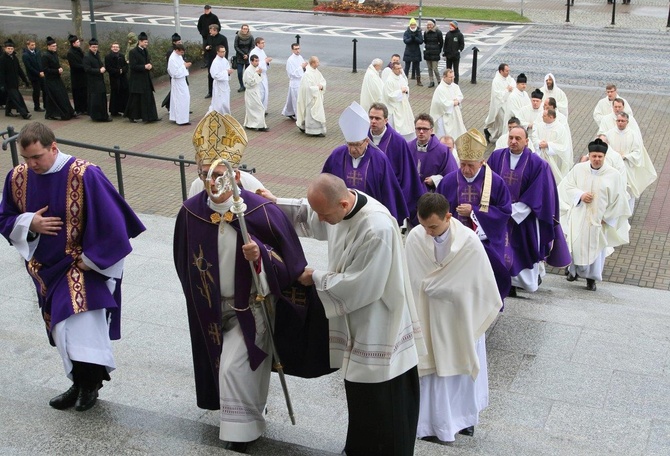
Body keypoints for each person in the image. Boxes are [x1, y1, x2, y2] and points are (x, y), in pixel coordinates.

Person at [174, 111, 325, 454]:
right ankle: (251, 416)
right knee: (236, 367)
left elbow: (291, 264)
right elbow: (183, 258)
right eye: (203, 175)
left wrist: (260, 256)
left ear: (233, 175)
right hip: (212, 305)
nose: (210, 183)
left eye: (217, 176)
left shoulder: (259, 211)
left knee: (235, 366)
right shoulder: (191, 211)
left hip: (253, 304)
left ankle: (240, 433)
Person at [262, 173, 425, 456]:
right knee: (359, 390)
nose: (322, 221)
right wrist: (274, 205)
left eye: (325, 215)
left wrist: (317, 277)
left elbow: (364, 284)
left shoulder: (377, 229)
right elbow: (308, 212)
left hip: (378, 321)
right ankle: (359, 447)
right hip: (357, 320)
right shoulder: (339, 207)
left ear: (344, 203)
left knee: (381, 395)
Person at [0, 122, 145, 412]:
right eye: (26, 158)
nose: (31, 164)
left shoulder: (84, 174)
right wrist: (29, 222)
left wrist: (92, 260)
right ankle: (79, 383)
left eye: (37, 157)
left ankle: (90, 385)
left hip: (82, 264)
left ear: (53, 147)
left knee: (78, 328)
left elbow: (114, 223)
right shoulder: (17, 177)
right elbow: (5, 217)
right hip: (44, 268)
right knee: (61, 331)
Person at [406, 192, 502, 443]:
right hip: (426, 315)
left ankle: (464, 420)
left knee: (458, 373)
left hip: (459, 318)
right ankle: (428, 423)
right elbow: (409, 277)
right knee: (431, 375)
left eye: (434, 226)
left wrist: (443, 288)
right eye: (423, 225)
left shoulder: (469, 242)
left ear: (448, 217)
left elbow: (478, 284)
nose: (428, 231)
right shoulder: (416, 237)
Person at [487, 126, 571, 297]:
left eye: (518, 138)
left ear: (526, 141)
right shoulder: (496, 156)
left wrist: (513, 211)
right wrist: (497, 210)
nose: (513, 141)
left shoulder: (537, 163)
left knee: (520, 249)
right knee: (499, 249)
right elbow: (487, 182)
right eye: (511, 137)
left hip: (524, 219)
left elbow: (539, 191)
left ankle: (518, 283)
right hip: (499, 216)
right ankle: (502, 281)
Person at [436, 129, 512, 300]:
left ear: (482, 162)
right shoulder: (448, 181)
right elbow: (438, 209)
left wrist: (474, 212)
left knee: (480, 283)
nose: (465, 169)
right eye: (462, 164)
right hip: (454, 242)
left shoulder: (495, 182)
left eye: (471, 165)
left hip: (484, 243)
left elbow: (505, 212)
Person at [559, 139, 631, 292]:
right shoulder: (579, 169)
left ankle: (592, 279)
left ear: (604, 157)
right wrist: (580, 195)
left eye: (600, 156)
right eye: (594, 156)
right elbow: (567, 186)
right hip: (580, 215)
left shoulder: (613, 175)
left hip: (600, 219)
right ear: (589, 155)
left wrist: (608, 217)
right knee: (576, 244)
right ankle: (573, 272)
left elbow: (619, 199)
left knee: (596, 250)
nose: (597, 159)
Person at [322, 102, 410, 225]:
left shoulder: (379, 160)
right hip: (342, 219)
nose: (353, 149)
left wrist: (390, 219)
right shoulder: (337, 155)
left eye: (357, 145)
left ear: (367, 141)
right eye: (350, 144)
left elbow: (388, 192)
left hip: (371, 219)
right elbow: (325, 183)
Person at [367, 102, 426, 222]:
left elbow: (407, 174)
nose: (373, 121)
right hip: (367, 194)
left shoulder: (398, 142)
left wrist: (399, 200)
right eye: (371, 117)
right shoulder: (362, 137)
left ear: (386, 120)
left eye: (377, 118)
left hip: (389, 195)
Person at [603, 113, 656, 213]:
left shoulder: (633, 135)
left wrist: (625, 156)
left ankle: (628, 213)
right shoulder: (609, 134)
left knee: (629, 190)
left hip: (627, 166)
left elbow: (637, 152)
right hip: (613, 166)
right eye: (618, 121)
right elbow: (605, 149)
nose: (620, 123)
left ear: (627, 122)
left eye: (622, 121)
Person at [408, 113, 458, 191]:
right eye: (418, 128)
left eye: (425, 129)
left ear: (431, 130)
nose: (421, 131)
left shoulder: (442, 151)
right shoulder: (407, 147)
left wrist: (435, 180)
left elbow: (452, 174)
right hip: (410, 193)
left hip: (432, 195)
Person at [124, 32, 159, 123]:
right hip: (137, 79)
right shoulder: (133, 52)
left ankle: (151, 116)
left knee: (148, 97)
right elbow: (133, 66)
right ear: (139, 42)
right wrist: (144, 67)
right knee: (136, 98)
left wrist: (150, 66)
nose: (146, 44)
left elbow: (148, 61)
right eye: (145, 42)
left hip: (145, 78)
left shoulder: (145, 51)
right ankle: (131, 115)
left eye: (147, 42)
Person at [534, 108, 573, 184]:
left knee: (553, 180)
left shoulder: (560, 129)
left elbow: (564, 146)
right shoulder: (540, 125)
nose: (542, 117)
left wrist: (548, 145)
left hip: (555, 159)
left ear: (551, 117)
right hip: (541, 156)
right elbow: (534, 137)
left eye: (544, 116)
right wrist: (539, 143)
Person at [41, 36, 75, 121]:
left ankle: (67, 111)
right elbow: (45, 69)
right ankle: (57, 113)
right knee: (55, 96)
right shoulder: (45, 56)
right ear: (48, 47)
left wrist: (59, 68)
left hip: (57, 78)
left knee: (62, 95)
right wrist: (57, 70)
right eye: (53, 46)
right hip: (50, 79)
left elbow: (56, 64)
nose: (55, 47)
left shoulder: (54, 54)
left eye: (55, 46)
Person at [430, 68, 466, 140]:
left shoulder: (455, 86)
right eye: (450, 77)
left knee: (458, 130)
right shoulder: (440, 89)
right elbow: (442, 103)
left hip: (455, 113)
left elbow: (460, 95)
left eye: (453, 77)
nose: (452, 79)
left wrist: (458, 101)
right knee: (444, 134)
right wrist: (453, 102)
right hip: (444, 115)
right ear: (444, 77)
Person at [383, 61, 416, 140]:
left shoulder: (401, 77)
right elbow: (389, 95)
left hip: (404, 104)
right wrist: (400, 91)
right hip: (395, 107)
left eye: (400, 68)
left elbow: (406, 86)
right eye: (397, 69)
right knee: (397, 126)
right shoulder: (389, 81)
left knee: (407, 124)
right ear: (393, 69)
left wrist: (405, 90)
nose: (400, 70)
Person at [483, 63, 515, 143]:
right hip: (499, 105)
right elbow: (497, 94)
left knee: (501, 123)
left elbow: (512, 82)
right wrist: (507, 90)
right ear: (501, 71)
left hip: (507, 103)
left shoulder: (507, 77)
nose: (508, 72)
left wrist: (511, 87)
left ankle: (490, 132)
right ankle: (503, 138)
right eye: (506, 71)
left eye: (508, 71)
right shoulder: (496, 81)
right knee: (504, 121)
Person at [0, 39, 31, 119]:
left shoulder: (14, 58)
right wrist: (2, 85)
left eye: (11, 49)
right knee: (17, 98)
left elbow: (19, 70)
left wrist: (25, 80)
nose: (10, 50)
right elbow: (1, 73)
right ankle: (24, 114)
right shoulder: (2, 59)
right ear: (5, 49)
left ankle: (8, 112)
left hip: (15, 82)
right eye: (8, 49)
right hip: (8, 84)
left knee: (11, 98)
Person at [296, 56, 327, 137]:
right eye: (317, 62)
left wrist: (322, 86)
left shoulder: (316, 71)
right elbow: (308, 87)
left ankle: (317, 130)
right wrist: (317, 87)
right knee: (311, 114)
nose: (319, 64)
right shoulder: (307, 74)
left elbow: (322, 81)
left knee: (317, 112)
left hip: (317, 96)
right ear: (312, 63)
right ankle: (312, 131)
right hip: (310, 98)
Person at [82, 38, 111, 122]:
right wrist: (98, 70)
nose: (95, 48)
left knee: (102, 98)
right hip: (93, 81)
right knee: (95, 99)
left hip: (100, 80)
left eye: (96, 47)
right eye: (93, 47)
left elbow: (101, 64)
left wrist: (102, 67)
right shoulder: (87, 57)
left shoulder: (97, 55)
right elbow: (87, 69)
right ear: (89, 47)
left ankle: (103, 115)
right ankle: (97, 116)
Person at [166, 43, 191, 125]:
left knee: (185, 98)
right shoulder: (172, 59)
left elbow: (182, 64)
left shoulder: (178, 56)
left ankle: (182, 117)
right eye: (181, 52)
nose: (182, 54)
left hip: (182, 80)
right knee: (180, 99)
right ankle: (181, 119)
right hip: (177, 81)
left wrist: (185, 65)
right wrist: (184, 66)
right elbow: (174, 73)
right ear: (177, 50)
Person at [243, 54, 268, 132]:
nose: (257, 63)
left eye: (258, 61)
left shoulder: (256, 68)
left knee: (253, 109)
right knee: (259, 108)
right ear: (251, 61)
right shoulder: (248, 71)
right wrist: (258, 74)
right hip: (251, 91)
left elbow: (259, 79)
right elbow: (250, 83)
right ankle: (260, 126)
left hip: (256, 90)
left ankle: (250, 124)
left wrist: (259, 74)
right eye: (256, 61)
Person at [281, 43, 306, 120]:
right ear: (292, 50)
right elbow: (291, 73)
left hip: (301, 81)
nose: (298, 51)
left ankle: (289, 112)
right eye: (296, 49)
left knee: (292, 99)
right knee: (297, 101)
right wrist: (301, 67)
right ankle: (299, 117)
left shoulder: (300, 57)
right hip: (295, 83)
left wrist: (305, 68)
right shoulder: (290, 60)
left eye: (298, 48)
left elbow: (303, 68)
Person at [104, 42, 129, 117]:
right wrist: (118, 71)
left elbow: (126, 66)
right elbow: (108, 68)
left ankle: (125, 110)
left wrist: (122, 70)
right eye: (114, 47)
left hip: (123, 78)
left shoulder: (122, 56)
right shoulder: (108, 57)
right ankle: (114, 111)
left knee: (124, 94)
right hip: (114, 78)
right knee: (115, 94)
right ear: (111, 48)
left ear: (119, 48)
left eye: (117, 47)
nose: (115, 48)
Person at [204, 25, 228, 99]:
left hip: (220, 59)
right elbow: (206, 45)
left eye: (211, 30)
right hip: (211, 59)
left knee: (220, 74)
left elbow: (226, 49)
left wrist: (225, 59)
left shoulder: (222, 38)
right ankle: (210, 91)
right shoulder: (209, 37)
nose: (209, 32)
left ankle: (221, 90)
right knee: (210, 75)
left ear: (215, 30)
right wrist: (207, 48)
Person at [22, 39, 45, 113]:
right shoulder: (25, 55)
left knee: (45, 89)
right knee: (36, 91)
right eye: (32, 45)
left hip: (41, 74)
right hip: (34, 76)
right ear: (28, 45)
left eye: (34, 45)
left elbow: (40, 62)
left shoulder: (37, 52)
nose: (34, 46)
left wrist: (42, 71)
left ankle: (46, 105)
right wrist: (38, 73)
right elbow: (29, 67)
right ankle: (36, 106)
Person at [66, 35, 87, 116]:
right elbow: (74, 65)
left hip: (83, 75)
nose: (79, 43)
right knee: (78, 93)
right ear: (73, 43)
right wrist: (84, 66)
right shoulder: (70, 53)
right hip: (77, 76)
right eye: (77, 42)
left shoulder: (79, 50)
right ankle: (79, 109)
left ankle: (85, 108)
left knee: (84, 92)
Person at [249, 37, 272, 113]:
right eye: (262, 43)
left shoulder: (262, 51)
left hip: (263, 75)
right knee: (260, 93)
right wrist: (265, 61)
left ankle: (263, 109)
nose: (264, 44)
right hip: (257, 75)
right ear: (257, 44)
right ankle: (259, 109)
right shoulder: (254, 52)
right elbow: (255, 64)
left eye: (264, 43)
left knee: (265, 92)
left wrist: (267, 62)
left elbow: (264, 61)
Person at [208, 45, 232, 115]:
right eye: (221, 52)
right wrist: (226, 72)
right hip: (218, 85)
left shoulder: (224, 60)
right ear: (217, 52)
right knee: (219, 103)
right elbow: (214, 75)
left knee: (225, 102)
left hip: (225, 84)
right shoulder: (215, 62)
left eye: (224, 51)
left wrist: (228, 72)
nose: (223, 53)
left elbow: (227, 69)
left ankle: (226, 116)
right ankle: (217, 116)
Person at [422, 19, 443, 88]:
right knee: (429, 68)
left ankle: (439, 81)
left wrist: (438, 50)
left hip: (435, 52)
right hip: (428, 52)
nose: (429, 26)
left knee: (435, 68)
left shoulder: (438, 32)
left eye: (430, 24)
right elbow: (425, 41)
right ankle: (431, 81)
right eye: (428, 25)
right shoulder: (426, 32)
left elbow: (441, 42)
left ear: (434, 25)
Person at [233, 24, 254, 92]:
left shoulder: (251, 37)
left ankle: (247, 84)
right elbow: (236, 46)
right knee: (239, 72)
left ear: (248, 30)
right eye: (244, 29)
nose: (245, 30)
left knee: (248, 72)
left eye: (246, 29)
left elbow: (252, 46)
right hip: (240, 56)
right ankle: (241, 85)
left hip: (248, 57)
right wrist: (243, 54)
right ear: (241, 29)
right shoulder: (238, 36)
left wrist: (247, 55)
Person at [443, 20, 465, 85]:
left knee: (456, 70)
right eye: (450, 26)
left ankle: (456, 82)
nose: (450, 27)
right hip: (449, 55)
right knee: (448, 70)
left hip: (456, 56)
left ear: (455, 27)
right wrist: (445, 52)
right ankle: (448, 81)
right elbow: (445, 44)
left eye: (452, 26)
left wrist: (459, 50)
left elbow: (462, 44)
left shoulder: (459, 35)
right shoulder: (448, 34)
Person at [403, 18, 423, 86]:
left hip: (416, 51)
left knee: (417, 67)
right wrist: (411, 38)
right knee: (407, 68)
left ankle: (418, 81)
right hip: (408, 51)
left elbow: (421, 41)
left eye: (414, 24)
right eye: (411, 24)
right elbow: (405, 41)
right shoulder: (407, 32)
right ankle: (405, 81)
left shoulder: (418, 32)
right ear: (409, 25)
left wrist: (415, 38)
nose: (413, 26)